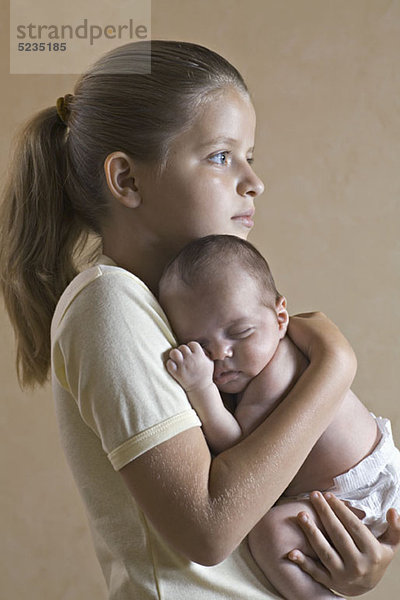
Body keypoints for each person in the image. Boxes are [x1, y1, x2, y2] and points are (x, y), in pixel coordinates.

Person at [0, 40, 399, 600]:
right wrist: (334, 368)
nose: (253, 182)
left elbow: (252, 490)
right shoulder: (107, 303)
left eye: (250, 157)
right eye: (220, 156)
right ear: (127, 181)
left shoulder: (173, 313)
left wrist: (346, 567)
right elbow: (210, 529)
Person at [158, 234, 400, 599]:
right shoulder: (280, 354)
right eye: (201, 346)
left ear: (281, 318)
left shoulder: (277, 369)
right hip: (360, 480)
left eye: (240, 333)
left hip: (355, 492)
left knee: (270, 535)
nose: (221, 352)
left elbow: (241, 448)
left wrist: (201, 389)